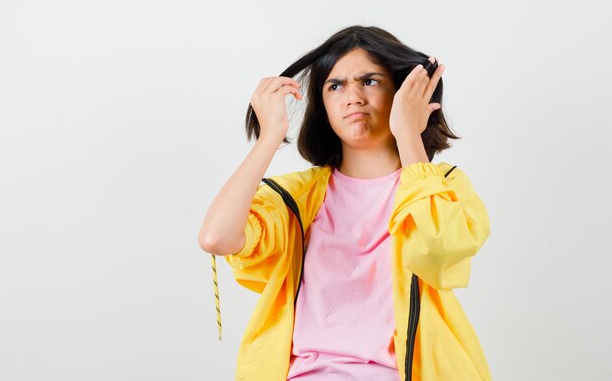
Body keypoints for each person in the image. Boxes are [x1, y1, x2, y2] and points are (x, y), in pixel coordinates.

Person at [198, 25, 492, 381]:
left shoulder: (443, 186)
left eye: (369, 81)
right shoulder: (297, 198)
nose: (352, 96)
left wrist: (408, 135)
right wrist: (269, 137)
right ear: (323, 105)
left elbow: (438, 247)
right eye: (335, 86)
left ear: (401, 92)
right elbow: (216, 239)